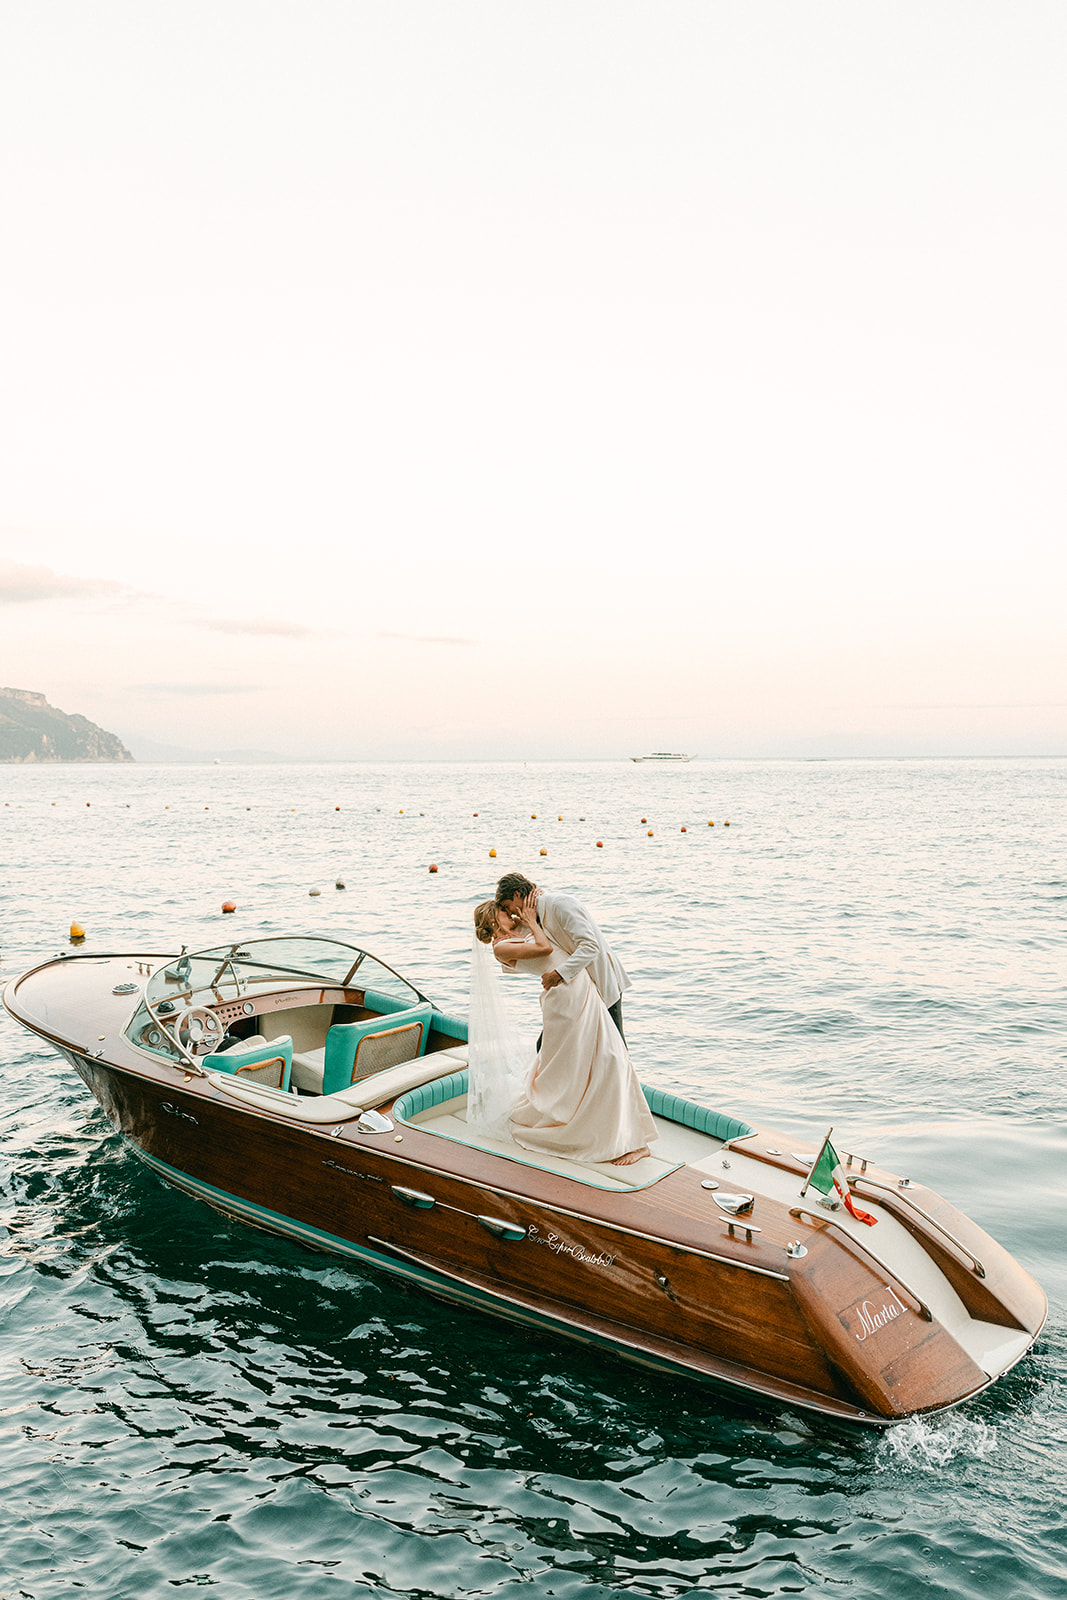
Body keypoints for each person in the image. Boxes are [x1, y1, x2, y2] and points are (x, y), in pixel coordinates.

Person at [471, 892, 656, 1166]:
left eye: (508, 907)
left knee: (609, 1056)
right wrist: (532, 921)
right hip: (565, 999)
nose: (510, 914)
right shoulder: (501, 948)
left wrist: (534, 907)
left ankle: (633, 1138)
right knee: (589, 1061)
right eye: (503, 911)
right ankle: (599, 1126)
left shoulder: (519, 929)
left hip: (582, 991)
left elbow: (549, 926)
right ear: (493, 917)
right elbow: (545, 948)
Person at [494, 873, 630, 1041]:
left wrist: (557, 975)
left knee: (614, 1046)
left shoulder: (561, 904)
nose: (510, 913)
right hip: (577, 992)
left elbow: (590, 946)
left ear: (516, 895)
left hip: (602, 980)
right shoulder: (534, 916)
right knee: (552, 1045)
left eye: (507, 906)